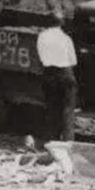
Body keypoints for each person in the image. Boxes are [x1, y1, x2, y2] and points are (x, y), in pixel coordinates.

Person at [36, 10, 77, 142]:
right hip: (65, 73)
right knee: (68, 109)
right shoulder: (66, 38)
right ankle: (68, 142)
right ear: (62, 23)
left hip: (49, 73)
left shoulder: (42, 36)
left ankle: (51, 141)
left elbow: (40, 56)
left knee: (52, 109)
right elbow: (73, 61)